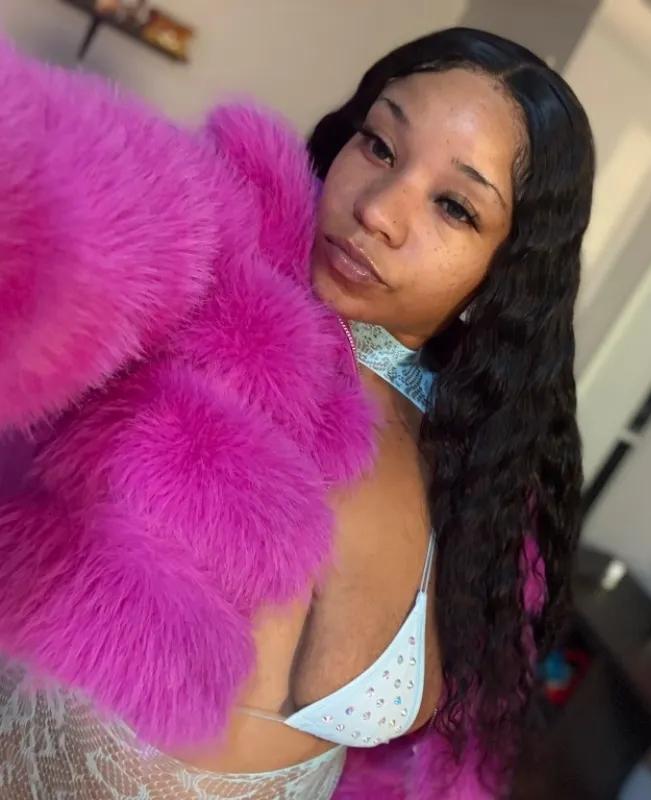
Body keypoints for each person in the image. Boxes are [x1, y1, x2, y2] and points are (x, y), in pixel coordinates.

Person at [0, 26, 593, 800]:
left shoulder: (486, 474)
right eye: (379, 146)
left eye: (453, 205)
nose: (378, 210)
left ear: (506, 273)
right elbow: (60, 210)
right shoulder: (223, 264)